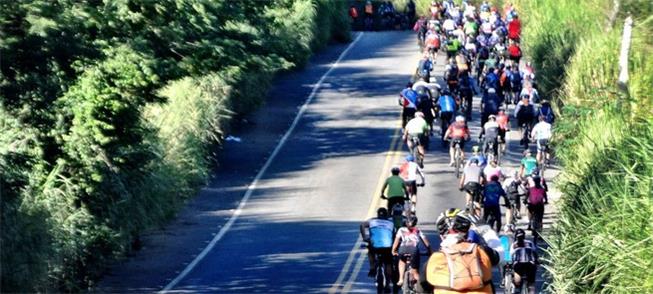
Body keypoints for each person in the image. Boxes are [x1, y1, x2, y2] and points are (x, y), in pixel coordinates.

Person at [429, 209, 496, 293]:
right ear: (467, 231)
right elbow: (496, 258)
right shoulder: (480, 250)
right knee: (488, 281)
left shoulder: (437, 257)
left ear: (442, 236)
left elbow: (423, 282)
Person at [392, 216, 431, 287]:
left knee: (401, 261)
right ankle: (421, 287)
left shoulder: (401, 230)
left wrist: (393, 251)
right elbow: (427, 244)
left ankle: (400, 279)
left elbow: (396, 242)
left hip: (402, 249)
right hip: (413, 250)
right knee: (415, 272)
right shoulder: (418, 230)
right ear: (415, 223)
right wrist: (430, 252)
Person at [360, 208, 394, 287]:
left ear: (378, 215)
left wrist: (365, 237)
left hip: (375, 246)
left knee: (370, 251)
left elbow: (362, 225)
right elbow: (394, 235)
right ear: (386, 215)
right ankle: (388, 283)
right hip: (387, 247)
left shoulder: (372, 221)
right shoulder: (391, 223)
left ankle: (372, 268)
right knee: (388, 263)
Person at [510, 229, 538, 294]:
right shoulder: (530, 243)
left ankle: (516, 289)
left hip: (518, 264)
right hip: (530, 264)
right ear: (524, 236)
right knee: (531, 284)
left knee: (517, 281)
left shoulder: (514, 244)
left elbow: (511, 255)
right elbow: (534, 252)